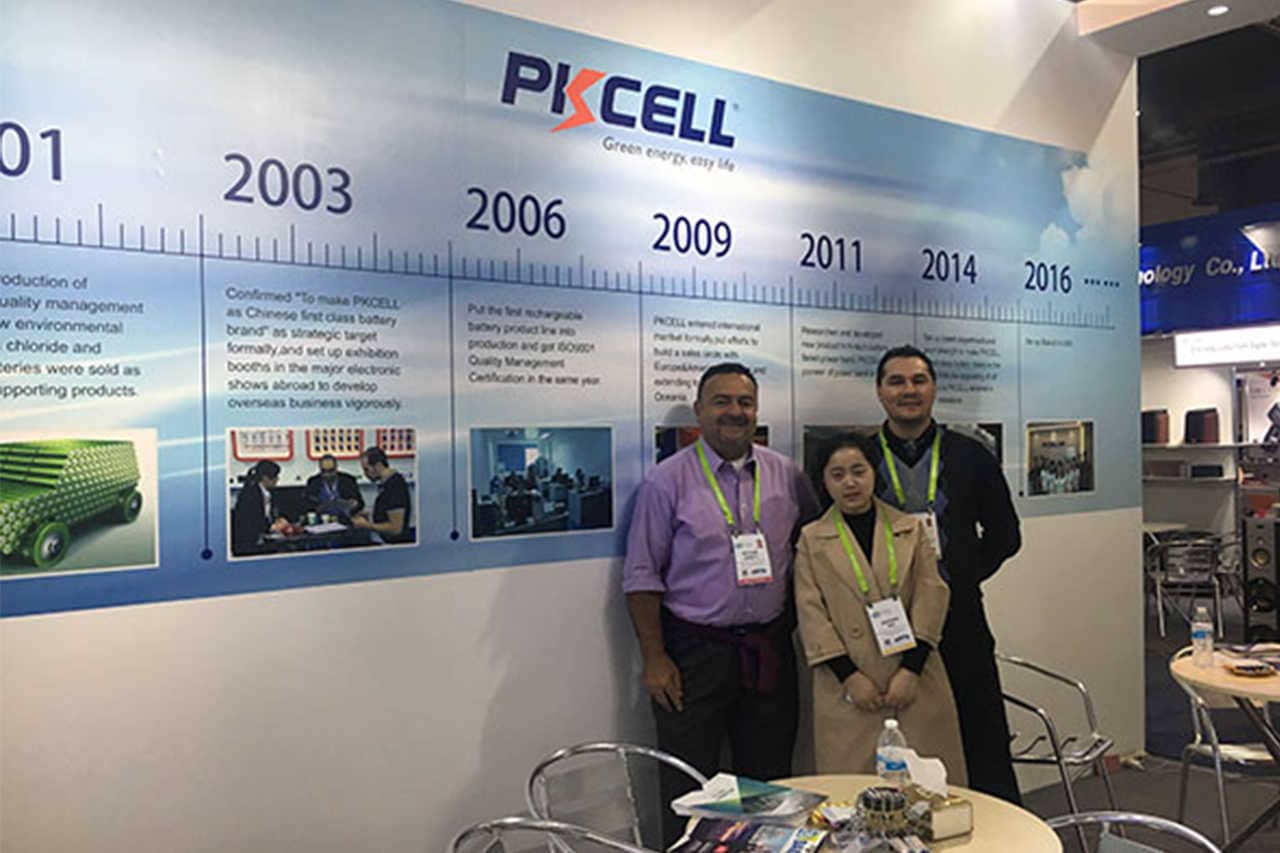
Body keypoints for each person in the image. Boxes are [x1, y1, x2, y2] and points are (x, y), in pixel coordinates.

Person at [622, 362, 819, 844]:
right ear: (699, 410)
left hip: (768, 648)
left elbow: (816, 547)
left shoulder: (787, 475)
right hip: (693, 654)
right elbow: (642, 577)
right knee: (690, 785)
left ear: (757, 410)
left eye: (745, 402)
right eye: (722, 401)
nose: (735, 411)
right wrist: (654, 657)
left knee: (769, 783)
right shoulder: (666, 482)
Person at [869, 344, 1023, 804]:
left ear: (934, 388)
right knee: (895, 738)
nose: (908, 390)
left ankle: (1002, 827)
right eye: (896, 381)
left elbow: (1006, 535)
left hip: (960, 620)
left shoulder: (970, 455)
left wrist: (959, 576)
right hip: (888, 621)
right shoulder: (860, 458)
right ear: (879, 391)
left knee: (982, 735)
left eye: (918, 380)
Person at [793, 432, 966, 781]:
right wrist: (850, 677)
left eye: (859, 471)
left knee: (925, 789)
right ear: (824, 481)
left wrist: (911, 670)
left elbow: (932, 595)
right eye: (837, 474)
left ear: (875, 472)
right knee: (853, 791)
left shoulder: (909, 528)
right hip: (848, 684)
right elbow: (811, 613)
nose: (850, 482)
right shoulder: (811, 538)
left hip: (913, 676)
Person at [351, 446, 412, 543]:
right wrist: (370, 515)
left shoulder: (394, 486)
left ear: (378, 466)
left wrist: (366, 525)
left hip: (391, 542)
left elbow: (396, 528)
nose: (365, 474)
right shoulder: (386, 484)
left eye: (366, 469)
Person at [231, 460, 281, 555]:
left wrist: (276, 522)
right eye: (275, 476)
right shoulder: (250, 494)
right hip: (248, 543)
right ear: (265, 478)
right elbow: (251, 521)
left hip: (259, 538)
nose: (277, 479)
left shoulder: (267, 493)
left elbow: (267, 515)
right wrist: (271, 527)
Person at [302, 454, 365, 519]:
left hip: (345, 519)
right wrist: (316, 508)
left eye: (331, 471)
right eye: (324, 471)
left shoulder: (348, 481)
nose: (328, 475)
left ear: (336, 468)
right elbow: (306, 504)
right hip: (321, 519)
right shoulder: (313, 482)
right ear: (320, 469)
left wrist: (354, 505)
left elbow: (361, 503)